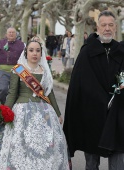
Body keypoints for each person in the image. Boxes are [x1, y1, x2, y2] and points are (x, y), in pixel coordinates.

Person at [0, 40, 70, 170]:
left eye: (38, 51)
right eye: (31, 50)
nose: (35, 53)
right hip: (22, 111)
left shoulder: (45, 71)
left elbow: (50, 94)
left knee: (43, 143)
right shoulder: (18, 70)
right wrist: (5, 112)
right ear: (26, 52)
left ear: (41, 53)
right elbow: (12, 94)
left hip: (44, 112)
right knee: (22, 143)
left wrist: (57, 113)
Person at [63, 10, 124, 170]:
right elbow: (78, 86)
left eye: (111, 25)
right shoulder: (87, 52)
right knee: (91, 163)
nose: (107, 28)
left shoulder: (121, 51)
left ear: (116, 27)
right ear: (97, 27)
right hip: (92, 115)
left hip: (117, 115)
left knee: (119, 160)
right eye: (103, 25)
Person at [0, 27, 25, 104]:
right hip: (3, 70)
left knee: (15, 90)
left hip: (18, 70)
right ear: (6, 34)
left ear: (16, 34)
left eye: (13, 32)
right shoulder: (0, 43)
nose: (11, 34)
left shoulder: (22, 44)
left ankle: (13, 107)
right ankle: (1, 106)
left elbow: (26, 58)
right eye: (9, 32)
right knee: (3, 89)